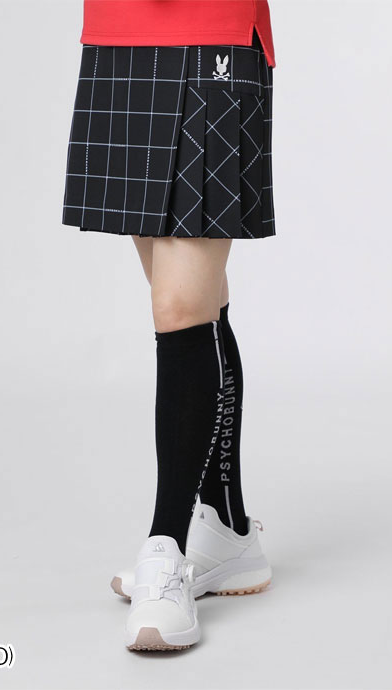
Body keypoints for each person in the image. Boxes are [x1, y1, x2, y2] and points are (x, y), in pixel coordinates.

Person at [62, 0, 277, 651]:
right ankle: (229, 531)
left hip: (212, 35)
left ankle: (166, 549)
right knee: (192, 301)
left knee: (179, 309)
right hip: (117, 38)